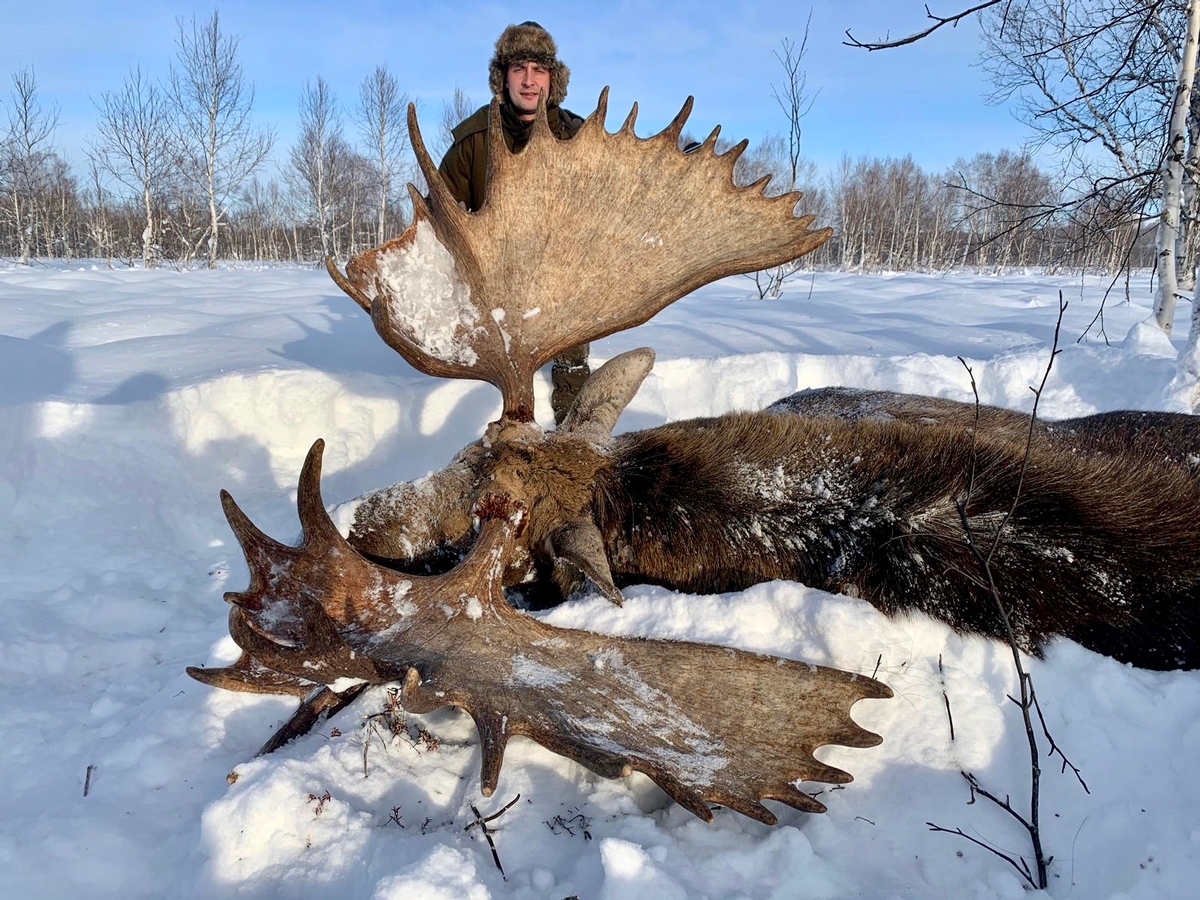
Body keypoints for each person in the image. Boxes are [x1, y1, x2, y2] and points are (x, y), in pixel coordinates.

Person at [438, 21, 590, 427]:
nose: (528, 80)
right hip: (495, 286)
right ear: (502, 77)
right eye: (518, 68)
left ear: (552, 80)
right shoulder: (473, 141)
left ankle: (573, 436)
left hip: (562, 283)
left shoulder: (579, 138)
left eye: (538, 70)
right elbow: (439, 223)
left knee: (575, 362)